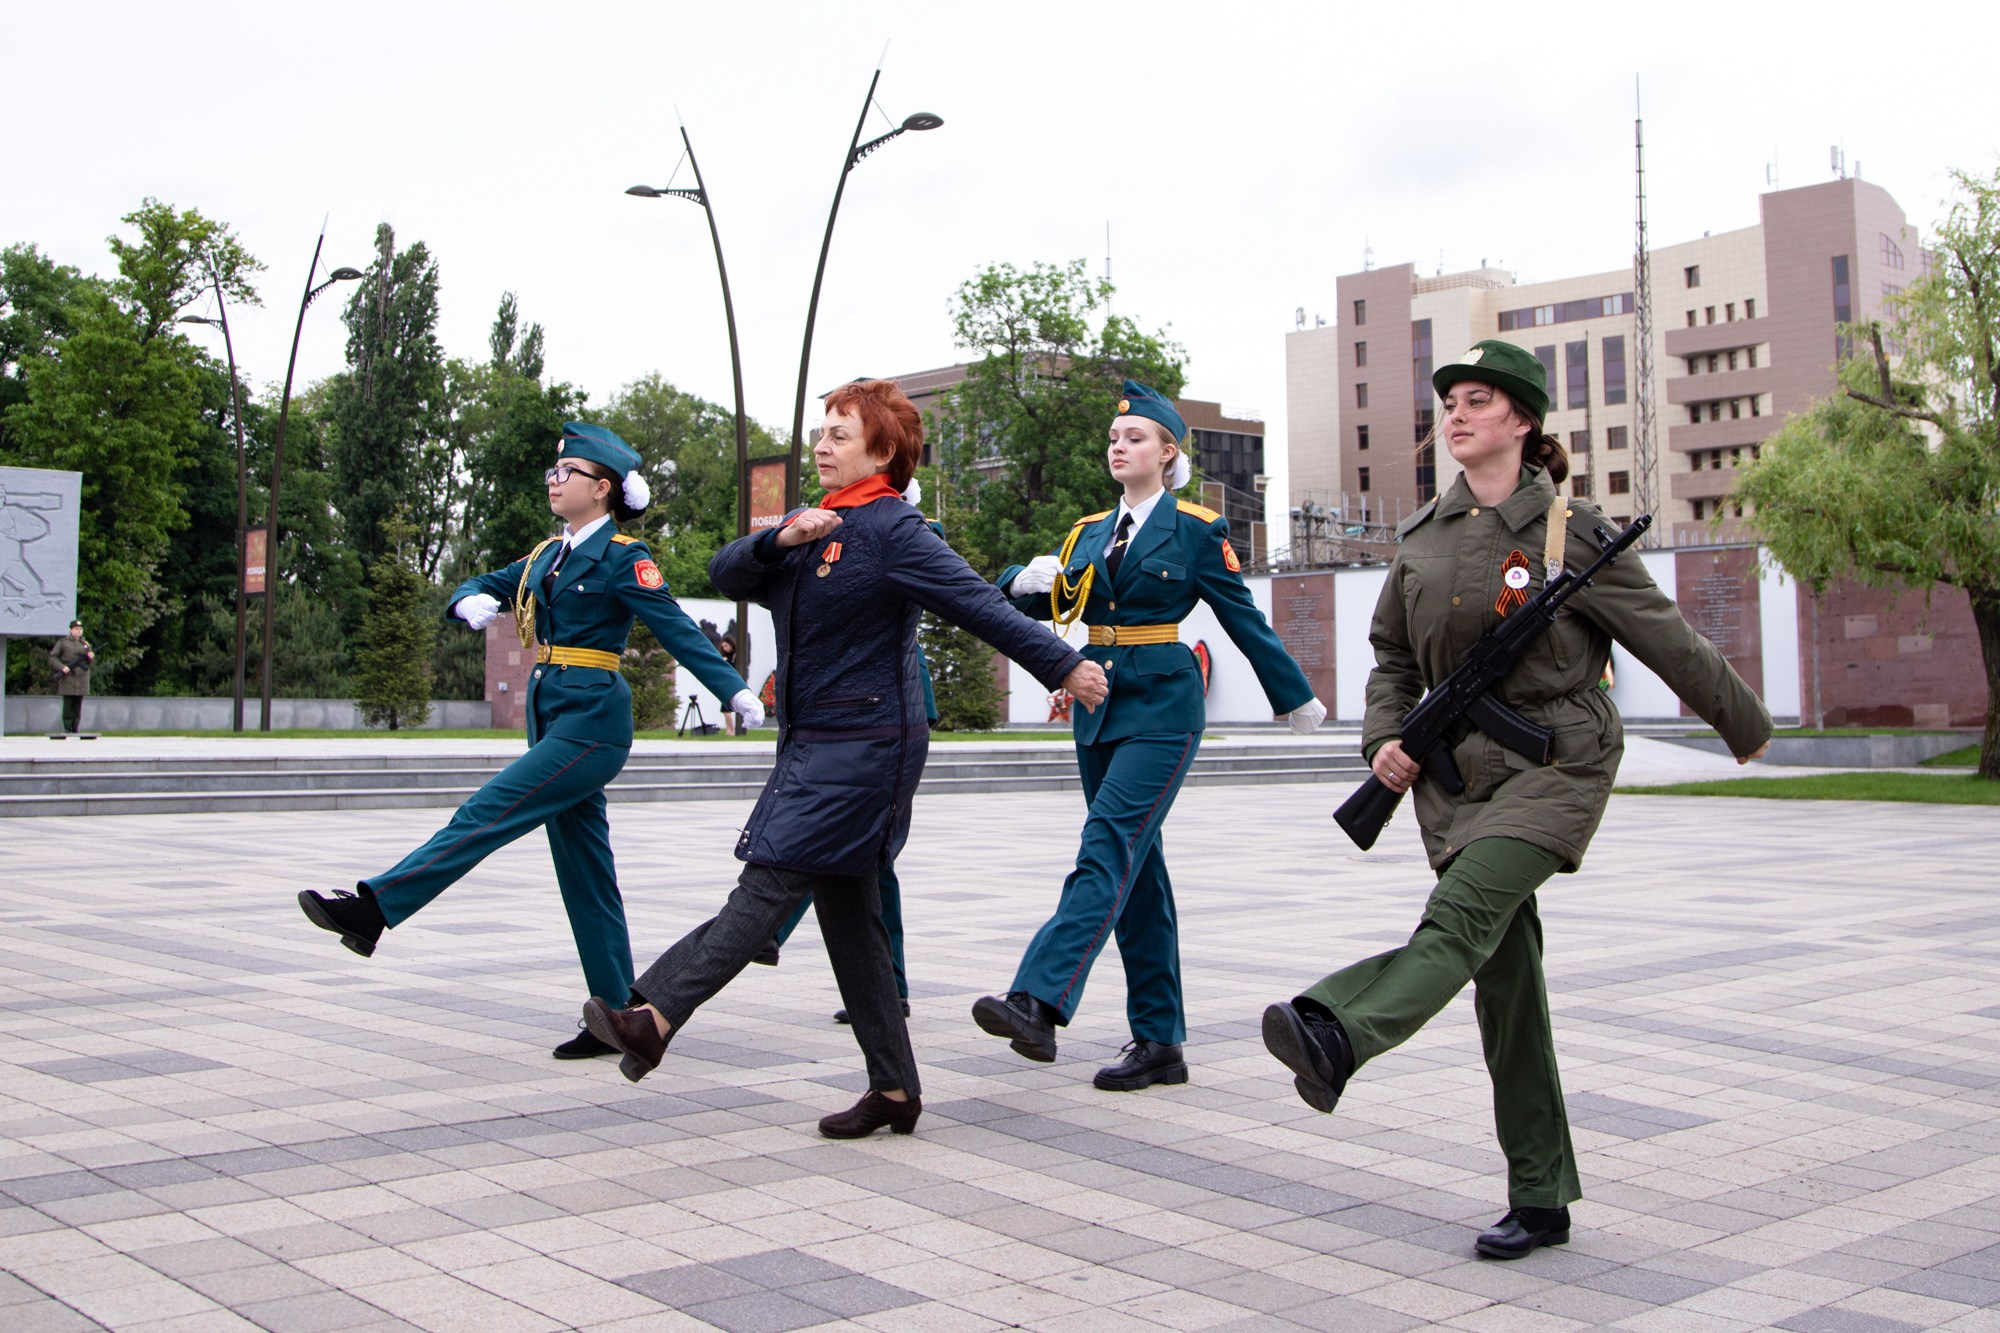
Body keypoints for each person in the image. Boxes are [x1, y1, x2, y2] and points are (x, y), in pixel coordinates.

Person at [1259, 341, 1772, 1260]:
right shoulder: (1423, 537)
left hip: (1558, 761)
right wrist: (1384, 741)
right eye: (1449, 402)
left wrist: (1748, 725)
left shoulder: (1574, 533)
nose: (1455, 416)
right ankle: (1540, 1195)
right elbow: (1392, 659)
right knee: (1507, 987)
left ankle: (1337, 1030)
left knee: (1460, 915)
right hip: (1457, 777)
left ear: (1523, 421)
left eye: (1477, 400)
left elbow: (1668, 638)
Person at [580, 379, 1108, 1139]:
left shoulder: (894, 528)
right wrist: (779, 539)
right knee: (852, 919)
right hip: (817, 742)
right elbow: (727, 572)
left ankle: (654, 1014)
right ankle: (894, 1089)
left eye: (839, 434)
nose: (822, 446)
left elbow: (978, 603)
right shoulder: (817, 523)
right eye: (821, 432)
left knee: (767, 881)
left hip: (868, 747)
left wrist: (1064, 666)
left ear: (882, 451)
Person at [297, 423, 761, 1058]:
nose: (554, 480)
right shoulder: (549, 555)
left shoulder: (624, 557)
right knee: (586, 875)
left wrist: (732, 689)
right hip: (552, 719)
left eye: (567, 472)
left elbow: (675, 626)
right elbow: (486, 582)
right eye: (553, 471)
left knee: (487, 811)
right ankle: (616, 1011)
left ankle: (375, 909)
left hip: (592, 725)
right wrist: (466, 601)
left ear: (602, 488)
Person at [972, 380, 1327, 1092]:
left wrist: (1294, 695)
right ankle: (1160, 1041)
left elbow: (1242, 617)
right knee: (1137, 875)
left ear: (1168, 452)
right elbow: (1052, 600)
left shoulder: (1196, 530)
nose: (1118, 447)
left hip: (1163, 707)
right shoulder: (1089, 532)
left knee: (1107, 843)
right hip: (1098, 704)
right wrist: (1019, 580)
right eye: (1113, 438)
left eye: (1134, 438)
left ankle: (1039, 998)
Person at [48, 620, 93, 735]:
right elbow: (53, 657)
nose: (79, 631)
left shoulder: (85, 644)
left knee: (78, 703)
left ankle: (75, 727)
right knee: (68, 702)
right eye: (76, 629)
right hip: (68, 675)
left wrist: (90, 657)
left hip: (81, 677)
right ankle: (67, 727)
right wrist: (62, 667)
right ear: (71, 630)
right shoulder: (63, 642)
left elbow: (88, 663)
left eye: (80, 629)